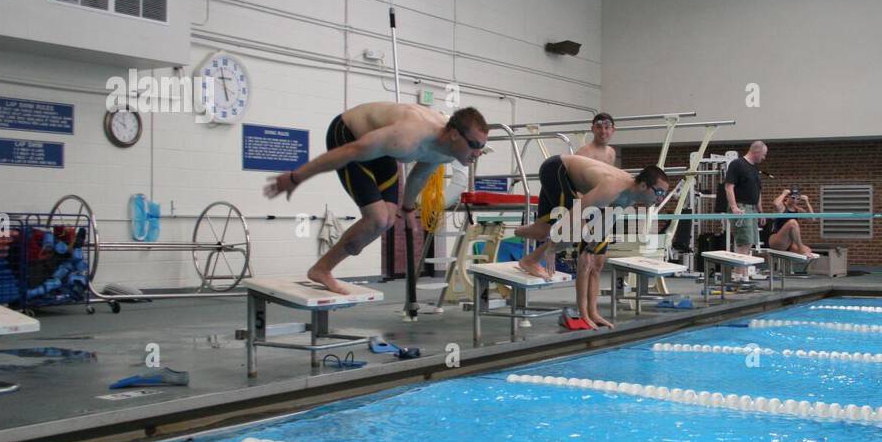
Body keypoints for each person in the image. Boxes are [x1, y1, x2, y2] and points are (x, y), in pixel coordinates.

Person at [263, 103, 488, 294]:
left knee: (388, 220)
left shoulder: (446, 150)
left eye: (482, 147)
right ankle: (322, 269)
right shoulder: (407, 137)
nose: (478, 153)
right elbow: (349, 151)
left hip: (382, 150)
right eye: (475, 146)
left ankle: (322, 268)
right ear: (455, 134)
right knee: (378, 219)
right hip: (348, 135)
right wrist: (296, 177)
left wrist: (408, 209)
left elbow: (421, 172)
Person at [514, 155, 671, 327]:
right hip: (557, 170)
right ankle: (582, 313)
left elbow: (605, 222)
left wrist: (590, 248)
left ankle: (593, 312)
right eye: (659, 193)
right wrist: (553, 247)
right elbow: (576, 213)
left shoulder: (631, 196)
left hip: (573, 187)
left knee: (593, 260)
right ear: (643, 186)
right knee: (573, 241)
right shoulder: (613, 188)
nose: (661, 199)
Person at [572, 113, 619, 326]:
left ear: (613, 130)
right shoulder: (584, 153)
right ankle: (583, 312)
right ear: (593, 129)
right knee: (585, 263)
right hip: (588, 211)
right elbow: (574, 186)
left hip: (604, 212)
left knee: (598, 263)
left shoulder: (611, 153)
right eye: (599, 128)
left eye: (607, 128)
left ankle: (594, 310)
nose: (603, 131)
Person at [723, 141, 768, 282]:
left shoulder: (754, 169)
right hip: (741, 207)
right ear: (757, 152)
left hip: (752, 208)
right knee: (744, 242)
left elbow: (757, 192)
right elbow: (728, 187)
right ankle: (738, 275)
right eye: (764, 155)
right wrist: (734, 207)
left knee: (749, 243)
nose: (764, 158)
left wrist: (760, 212)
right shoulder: (737, 164)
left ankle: (742, 274)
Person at [767, 188, 818, 259]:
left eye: (798, 199)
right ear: (788, 197)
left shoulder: (798, 210)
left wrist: (807, 202)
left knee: (808, 250)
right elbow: (776, 204)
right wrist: (784, 194)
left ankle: (790, 267)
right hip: (776, 241)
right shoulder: (782, 207)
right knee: (792, 222)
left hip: (788, 243)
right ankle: (801, 249)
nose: (795, 200)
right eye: (793, 197)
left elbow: (813, 219)